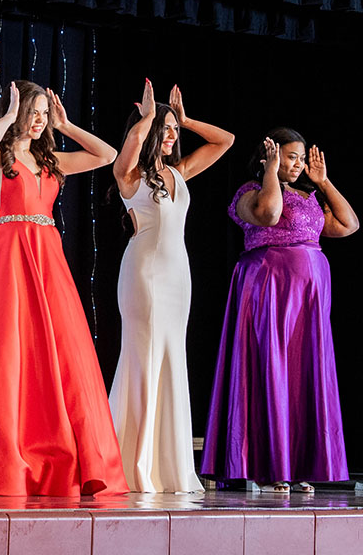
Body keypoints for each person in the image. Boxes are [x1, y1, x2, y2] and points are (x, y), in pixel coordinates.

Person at [0, 80, 127, 496]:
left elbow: (106, 155)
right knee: (5, 353)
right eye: (33, 112)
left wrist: (67, 124)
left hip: (48, 260)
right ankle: (1, 452)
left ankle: (57, 449)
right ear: (17, 111)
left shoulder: (49, 160)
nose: (39, 120)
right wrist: (8, 116)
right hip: (8, 256)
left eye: (42, 113)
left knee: (57, 355)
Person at [201, 128, 359, 494]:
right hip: (270, 286)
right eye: (291, 156)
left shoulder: (309, 196)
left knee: (301, 375)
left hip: (308, 295)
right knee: (270, 370)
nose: (299, 163)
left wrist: (325, 181)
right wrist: (271, 172)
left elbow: (349, 225)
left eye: (301, 158)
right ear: (270, 157)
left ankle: (296, 463)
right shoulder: (249, 192)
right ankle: (270, 468)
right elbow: (269, 215)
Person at [108, 80, 233, 493]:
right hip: (144, 276)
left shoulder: (179, 173)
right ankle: (134, 464)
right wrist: (147, 119)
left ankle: (168, 466)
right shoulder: (131, 175)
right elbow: (125, 155)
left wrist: (186, 118)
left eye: (173, 130)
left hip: (179, 277)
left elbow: (225, 141)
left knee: (170, 361)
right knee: (143, 360)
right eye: (166, 130)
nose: (172, 136)